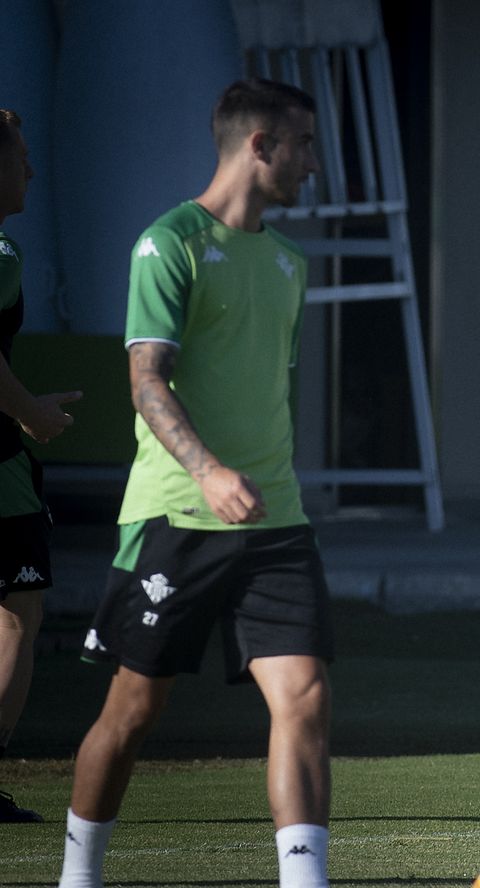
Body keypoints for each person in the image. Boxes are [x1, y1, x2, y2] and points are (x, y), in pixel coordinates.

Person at [58, 79, 333, 888]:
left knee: (305, 696)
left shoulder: (288, 262)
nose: (313, 164)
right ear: (260, 146)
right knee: (134, 709)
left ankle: (305, 882)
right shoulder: (167, 243)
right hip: (177, 515)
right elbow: (146, 380)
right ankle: (77, 878)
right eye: (304, 145)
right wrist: (208, 471)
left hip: (276, 520)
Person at [0, 109, 81, 824]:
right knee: (17, 618)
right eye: (19, 157)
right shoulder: (0, 253)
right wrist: (29, 413)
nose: (30, 169)